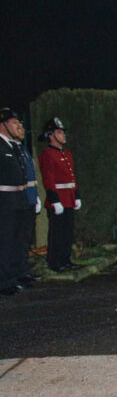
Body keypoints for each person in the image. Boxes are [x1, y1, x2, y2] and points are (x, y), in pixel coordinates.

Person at [38, 117, 82, 272]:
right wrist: (54, 200)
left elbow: (72, 177)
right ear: (51, 136)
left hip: (69, 198)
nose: (63, 135)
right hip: (57, 201)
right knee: (57, 233)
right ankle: (55, 262)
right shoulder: (47, 154)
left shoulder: (67, 154)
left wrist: (76, 195)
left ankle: (65, 259)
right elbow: (48, 179)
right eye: (59, 132)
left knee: (68, 233)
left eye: (63, 132)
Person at [0, 108, 32, 295]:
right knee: (6, 241)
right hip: (5, 200)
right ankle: (4, 281)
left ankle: (16, 275)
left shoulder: (13, 146)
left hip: (19, 197)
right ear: (3, 125)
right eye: (13, 123)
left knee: (19, 239)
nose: (18, 126)